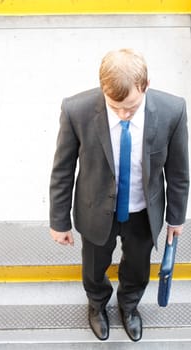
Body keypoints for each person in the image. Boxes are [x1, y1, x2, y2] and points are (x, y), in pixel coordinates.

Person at [49, 48, 189, 342]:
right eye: (116, 107)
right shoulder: (77, 111)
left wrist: (176, 218)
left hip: (143, 211)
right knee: (94, 266)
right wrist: (59, 221)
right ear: (103, 90)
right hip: (95, 209)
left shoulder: (171, 111)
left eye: (132, 107)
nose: (124, 113)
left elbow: (178, 172)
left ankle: (129, 305)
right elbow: (62, 170)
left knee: (138, 267)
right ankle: (97, 304)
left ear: (146, 86)